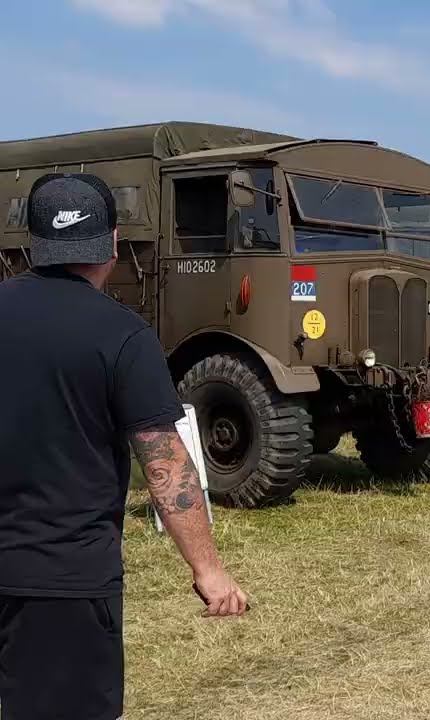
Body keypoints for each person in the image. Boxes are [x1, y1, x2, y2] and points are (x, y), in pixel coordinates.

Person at [0, 173, 249, 719]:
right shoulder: (124, 336)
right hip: (62, 587)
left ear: (32, 243)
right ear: (112, 244)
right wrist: (208, 570)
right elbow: (164, 467)